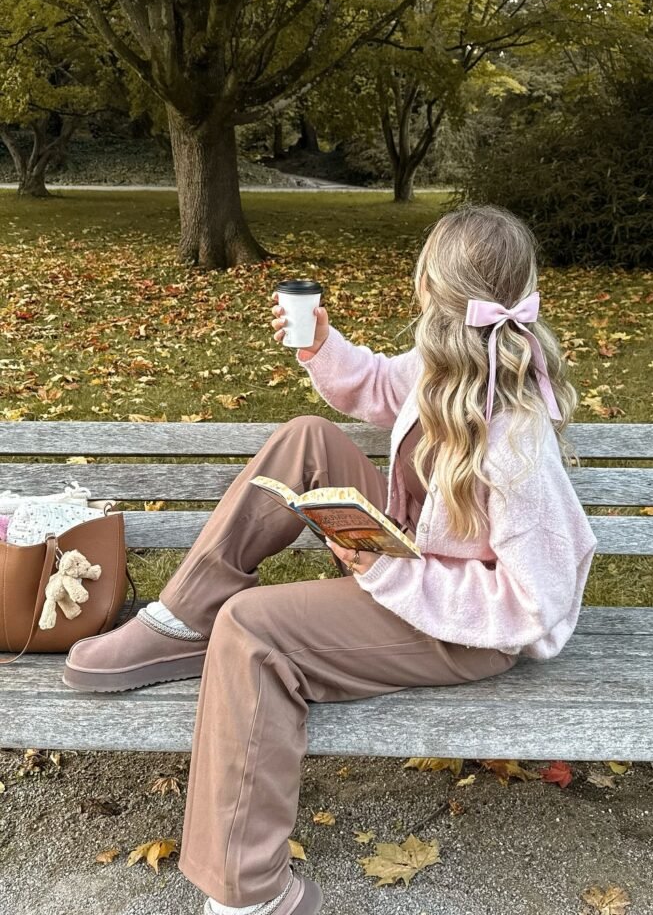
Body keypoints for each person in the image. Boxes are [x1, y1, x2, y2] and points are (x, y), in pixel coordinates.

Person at [61, 203, 598, 915]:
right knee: (307, 436)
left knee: (254, 628)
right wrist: (319, 343)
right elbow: (378, 385)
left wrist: (393, 572)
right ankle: (178, 623)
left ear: (428, 291)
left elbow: (535, 602)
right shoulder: (449, 364)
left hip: (465, 628)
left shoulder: (514, 439)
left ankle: (250, 893)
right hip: (412, 561)